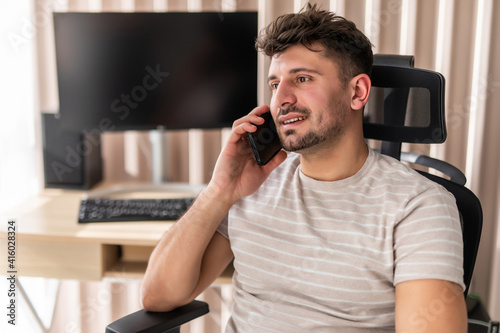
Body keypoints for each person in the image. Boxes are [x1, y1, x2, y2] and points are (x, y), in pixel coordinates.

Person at [141, 4, 467, 332]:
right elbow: (158, 298)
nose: (281, 98)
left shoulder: (419, 206)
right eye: (274, 84)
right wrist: (220, 190)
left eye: (301, 78)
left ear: (357, 92)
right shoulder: (253, 185)